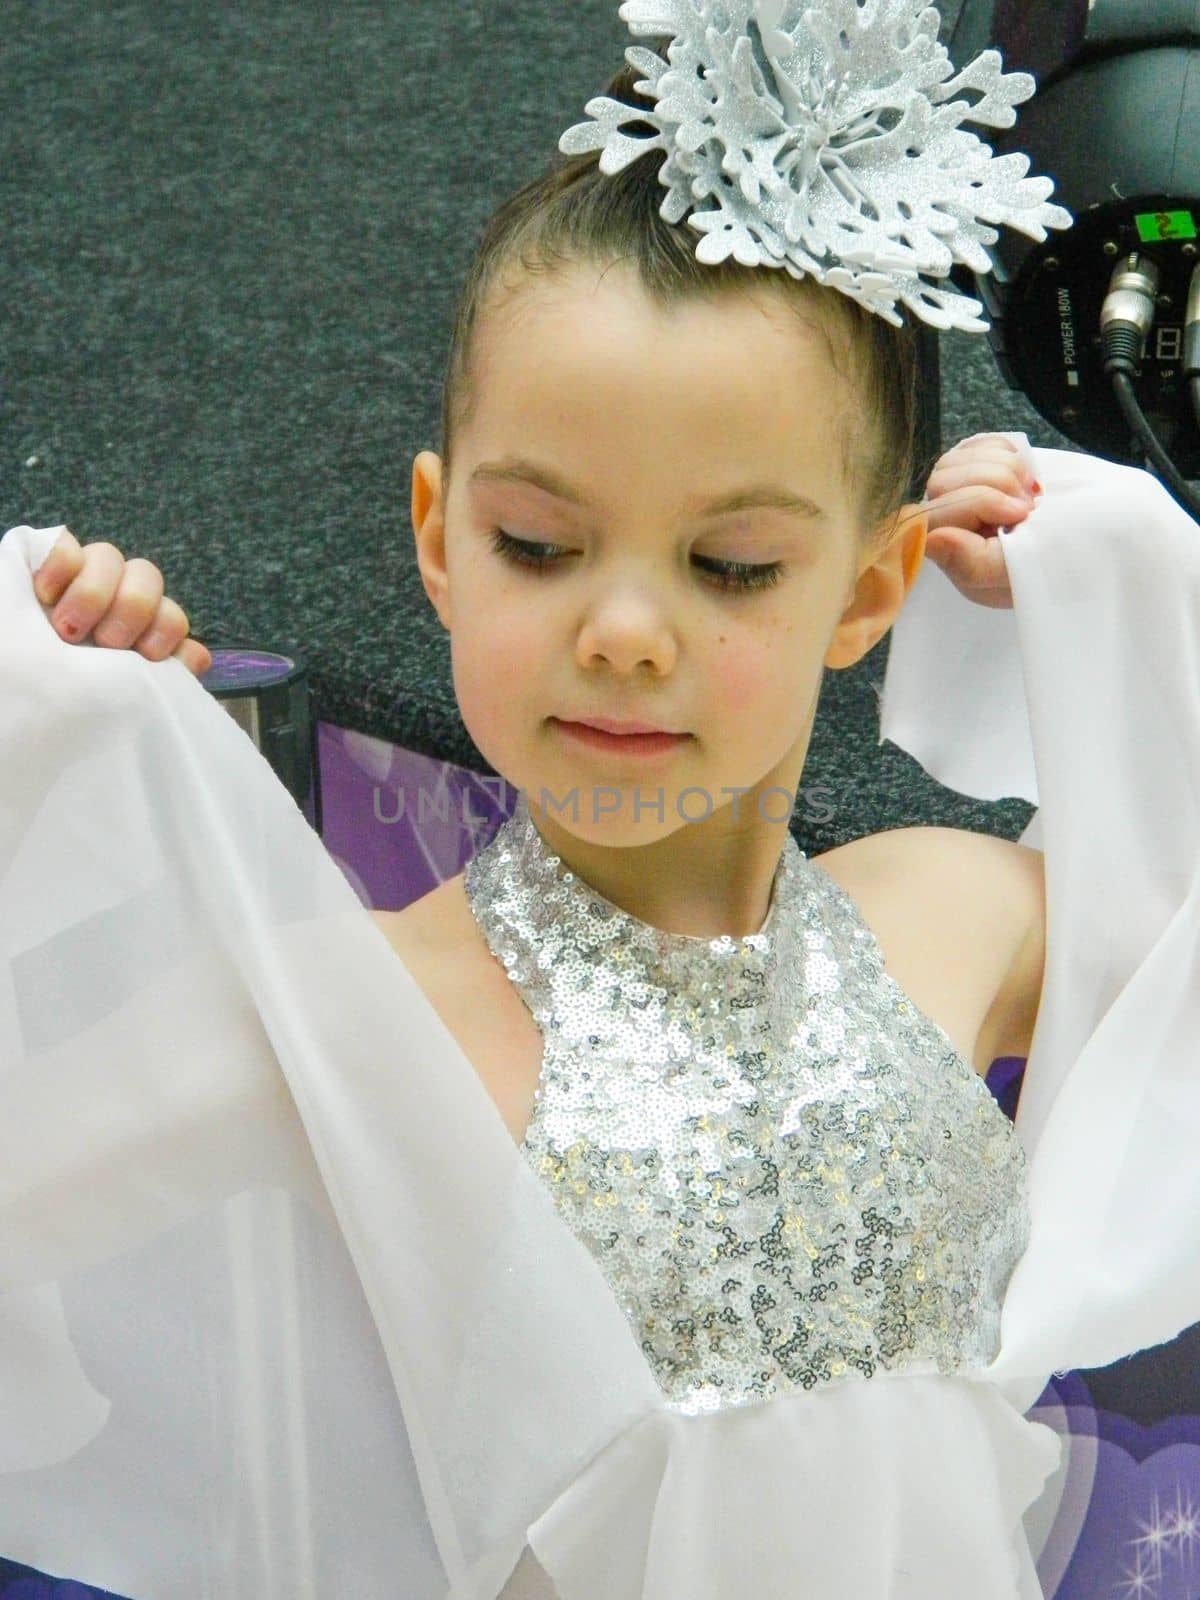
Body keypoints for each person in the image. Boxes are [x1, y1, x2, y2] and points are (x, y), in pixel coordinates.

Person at [4, 10, 1200, 1600]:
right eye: (541, 545)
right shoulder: (364, 1029)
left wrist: (1118, 566)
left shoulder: (953, 912)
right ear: (439, 536)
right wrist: (32, 744)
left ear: (872, 584)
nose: (625, 633)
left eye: (731, 567)